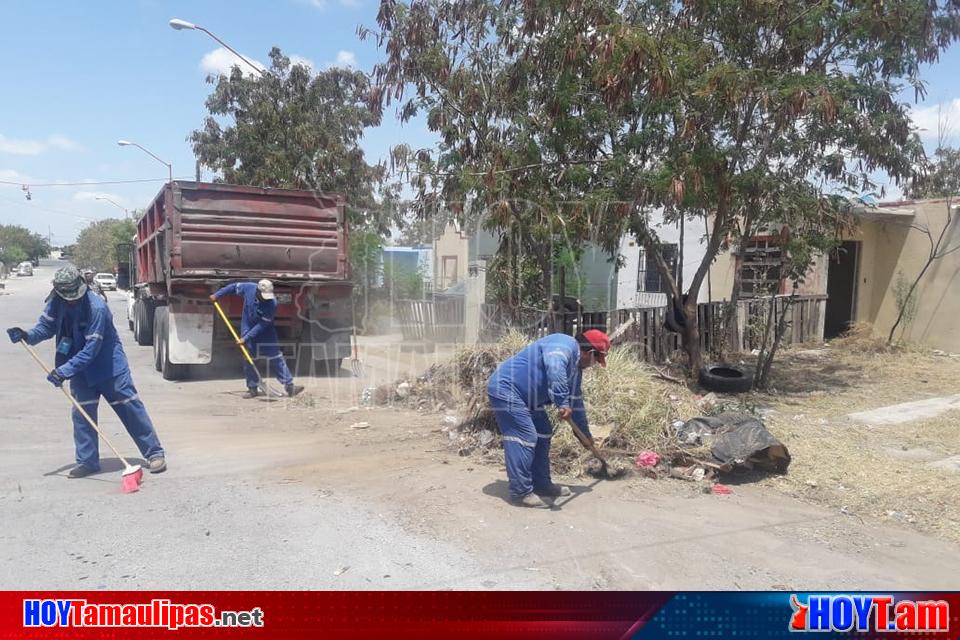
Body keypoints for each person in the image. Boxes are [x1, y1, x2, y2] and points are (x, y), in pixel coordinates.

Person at [6, 265, 166, 478]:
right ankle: (88, 462)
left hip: (108, 368)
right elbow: (45, 327)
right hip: (79, 371)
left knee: (130, 408)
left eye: (74, 296)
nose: (71, 300)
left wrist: (63, 371)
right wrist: (27, 335)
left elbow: (92, 350)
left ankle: (154, 453)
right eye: (67, 297)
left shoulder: (96, 307)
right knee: (82, 414)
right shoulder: (56, 301)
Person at [487, 329, 611, 507]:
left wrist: (585, 436)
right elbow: (555, 367)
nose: (595, 364)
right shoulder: (563, 344)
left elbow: (575, 403)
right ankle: (521, 492)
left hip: (528, 397)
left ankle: (541, 484)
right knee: (525, 435)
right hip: (506, 389)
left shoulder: (576, 371)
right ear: (590, 353)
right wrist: (561, 401)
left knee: (543, 431)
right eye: (596, 360)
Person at [210, 279, 304, 398]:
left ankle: (290, 387)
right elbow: (233, 287)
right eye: (263, 295)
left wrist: (245, 338)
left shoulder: (272, 303)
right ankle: (252, 388)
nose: (266, 298)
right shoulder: (249, 288)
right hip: (248, 327)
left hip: (266, 331)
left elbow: (261, 325)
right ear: (258, 291)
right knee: (250, 357)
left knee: (276, 356)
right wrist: (217, 295)